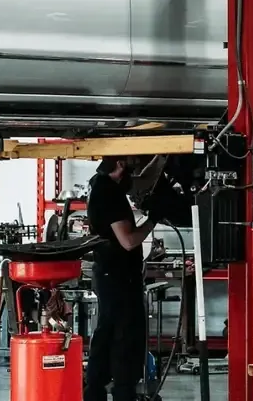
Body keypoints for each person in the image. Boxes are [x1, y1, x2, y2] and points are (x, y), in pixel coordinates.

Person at [83, 156, 157, 401]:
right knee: (126, 336)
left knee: (107, 332)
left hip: (111, 274)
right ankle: (123, 393)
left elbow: (142, 180)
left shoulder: (100, 186)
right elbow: (128, 241)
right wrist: (154, 219)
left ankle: (94, 390)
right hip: (118, 278)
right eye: (130, 165)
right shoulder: (109, 193)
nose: (132, 173)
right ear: (120, 165)